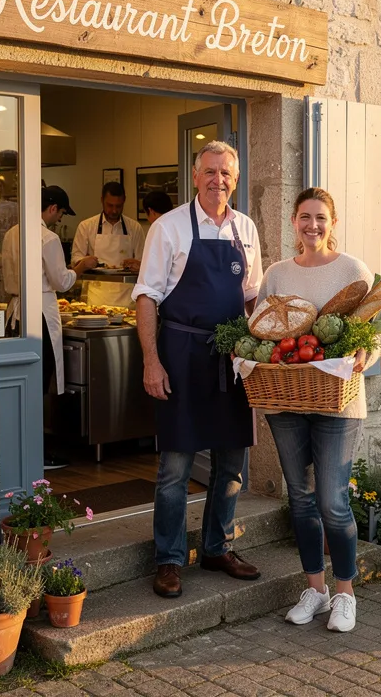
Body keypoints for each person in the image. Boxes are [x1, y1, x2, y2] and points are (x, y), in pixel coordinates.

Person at [133, 141, 264, 599]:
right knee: (175, 466)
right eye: (210, 172)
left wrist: (260, 355)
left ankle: (217, 547)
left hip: (231, 358)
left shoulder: (246, 228)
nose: (218, 180)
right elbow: (146, 296)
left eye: (226, 173)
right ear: (194, 176)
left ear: (236, 178)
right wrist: (152, 360)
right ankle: (169, 560)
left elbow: (251, 300)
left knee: (231, 463)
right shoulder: (168, 228)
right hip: (182, 353)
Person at [257, 188, 381, 634]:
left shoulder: (353, 270)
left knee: (332, 501)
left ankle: (346, 595)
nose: (313, 226)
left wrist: (367, 354)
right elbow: (260, 329)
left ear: (333, 223)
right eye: (305, 217)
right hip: (286, 396)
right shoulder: (276, 273)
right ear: (293, 222)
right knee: (301, 498)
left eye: (321, 218)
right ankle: (316, 589)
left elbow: (378, 327)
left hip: (339, 401)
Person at [1, 185, 88, 470]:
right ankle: (39, 452)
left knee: (21, 384)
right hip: (39, 313)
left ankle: (19, 448)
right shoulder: (47, 238)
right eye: (61, 212)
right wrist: (82, 267)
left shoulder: (13, 232)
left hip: (16, 310)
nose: (60, 218)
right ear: (52, 208)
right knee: (40, 384)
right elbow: (62, 282)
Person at [71, 182, 145, 307]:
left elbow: (145, 264)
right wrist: (85, 262)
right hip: (96, 297)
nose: (114, 210)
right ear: (102, 200)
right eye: (110, 205)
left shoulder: (135, 228)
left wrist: (138, 265)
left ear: (124, 201)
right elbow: (75, 260)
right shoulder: (86, 226)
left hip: (126, 297)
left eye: (119, 206)